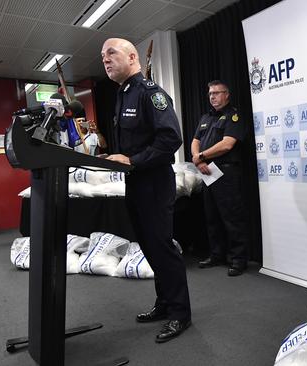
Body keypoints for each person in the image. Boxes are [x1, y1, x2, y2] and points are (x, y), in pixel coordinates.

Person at [101, 38, 192, 343]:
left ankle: (180, 313)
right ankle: (165, 303)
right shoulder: (122, 94)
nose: (105, 59)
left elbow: (170, 138)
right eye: (103, 56)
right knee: (149, 247)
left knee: (162, 247)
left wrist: (132, 160)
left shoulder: (150, 94)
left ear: (132, 56)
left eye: (110, 53)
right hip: (135, 183)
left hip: (154, 182)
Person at [192, 80, 249, 277]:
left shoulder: (233, 116)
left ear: (227, 95)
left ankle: (238, 259)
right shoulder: (206, 117)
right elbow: (195, 141)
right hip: (207, 172)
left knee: (232, 217)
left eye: (217, 93)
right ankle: (217, 254)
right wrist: (198, 161)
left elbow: (227, 145)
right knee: (212, 217)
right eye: (210, 94)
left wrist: (201, 157)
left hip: (226, 172)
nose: (213, 97)